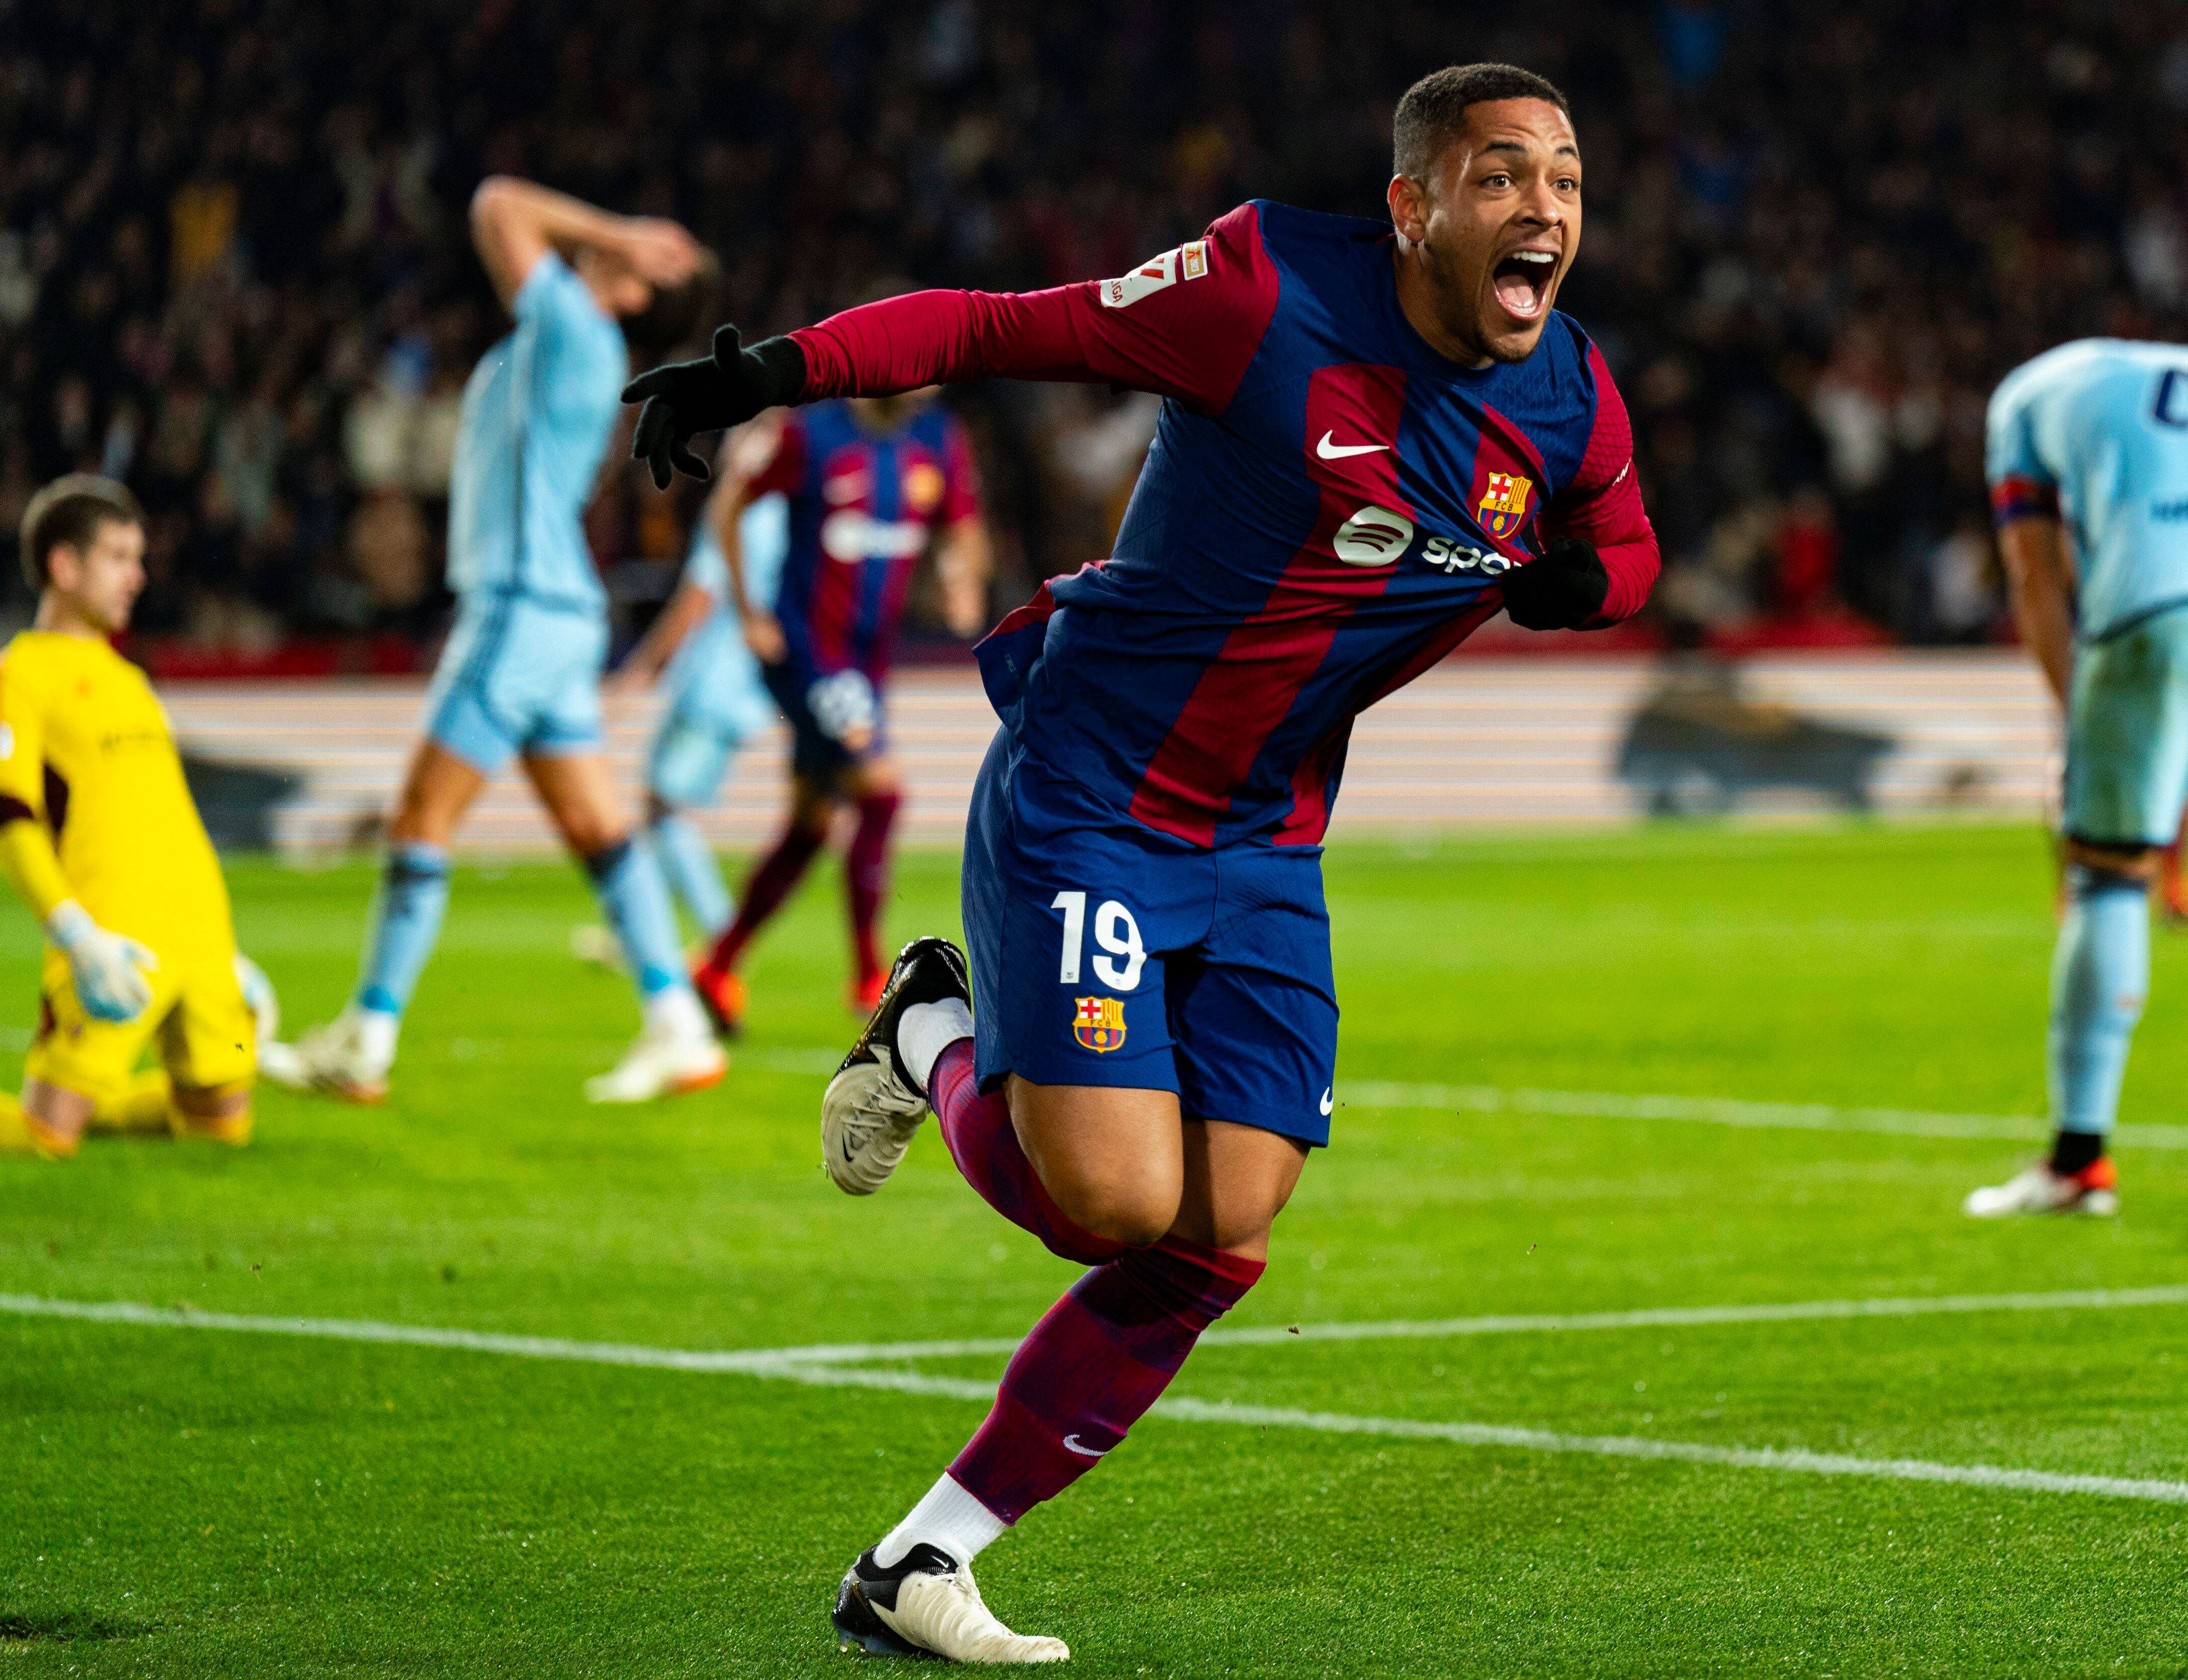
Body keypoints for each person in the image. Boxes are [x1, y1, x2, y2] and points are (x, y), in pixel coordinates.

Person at [624, 62, 1657, 1663]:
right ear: (1411, 207)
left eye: (1567, 182)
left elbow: (1625, 545)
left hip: (1266, 833)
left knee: (1222, 1227)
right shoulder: (1258, 294)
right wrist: (768, 370)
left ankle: (919, 1564)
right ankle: (930, 1033)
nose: (1543, 209)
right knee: (1109, 1204)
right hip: (1095, 788)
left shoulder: (1568, 396)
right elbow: (988, 327)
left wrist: (1578, 591)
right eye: (1501, 175)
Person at [278, 177, 729, 1106]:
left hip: (519, 606)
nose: (611, 240)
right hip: (558, 612)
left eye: (644, 256)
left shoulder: (574, 327)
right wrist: (628, 236)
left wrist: (623, 227)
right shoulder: (569, 336)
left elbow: (493, 205)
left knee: (419, 822)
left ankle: (364, 1039)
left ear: (640, 290)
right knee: (599, 832)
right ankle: (679, 1023)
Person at [1969, 338, 2188, 1219]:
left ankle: (2077, 1162)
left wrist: (2076, 723)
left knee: (2107, 873)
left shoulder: (2021, 397)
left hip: (2151, 596)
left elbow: (2033, 575)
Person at [686, 386, 991, 1030]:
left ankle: (716, 966)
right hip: (807, 652)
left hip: (866, 666)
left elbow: (964, 528)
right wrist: (749, 612)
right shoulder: (811, 435)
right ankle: (866, 978)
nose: (930, 381)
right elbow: (730, 506)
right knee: (881, 792)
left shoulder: (936, 440)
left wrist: (963, 578)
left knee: (810, 827)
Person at [0, 476, 258, 1158]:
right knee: (46, 1134)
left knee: (220, 1123)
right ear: (64, 564)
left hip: (199, 932)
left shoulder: (132, 679)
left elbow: (165, 814)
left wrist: (225, 944)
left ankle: (107, 1105)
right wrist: (75, 934)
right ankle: (82, 1103)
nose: (138, 577)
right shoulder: (19, 674)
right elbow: (9, 815)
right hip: (114, 938)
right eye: (119, 556)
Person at [576, 444, 791, 975]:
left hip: (711, 680)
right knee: (658, 805)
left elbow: (698, 598)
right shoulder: (788, 511)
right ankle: (642, 934)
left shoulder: (739, 509)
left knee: (665, 808)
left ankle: (721, 942)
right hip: (743, 682)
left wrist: (640, 669)